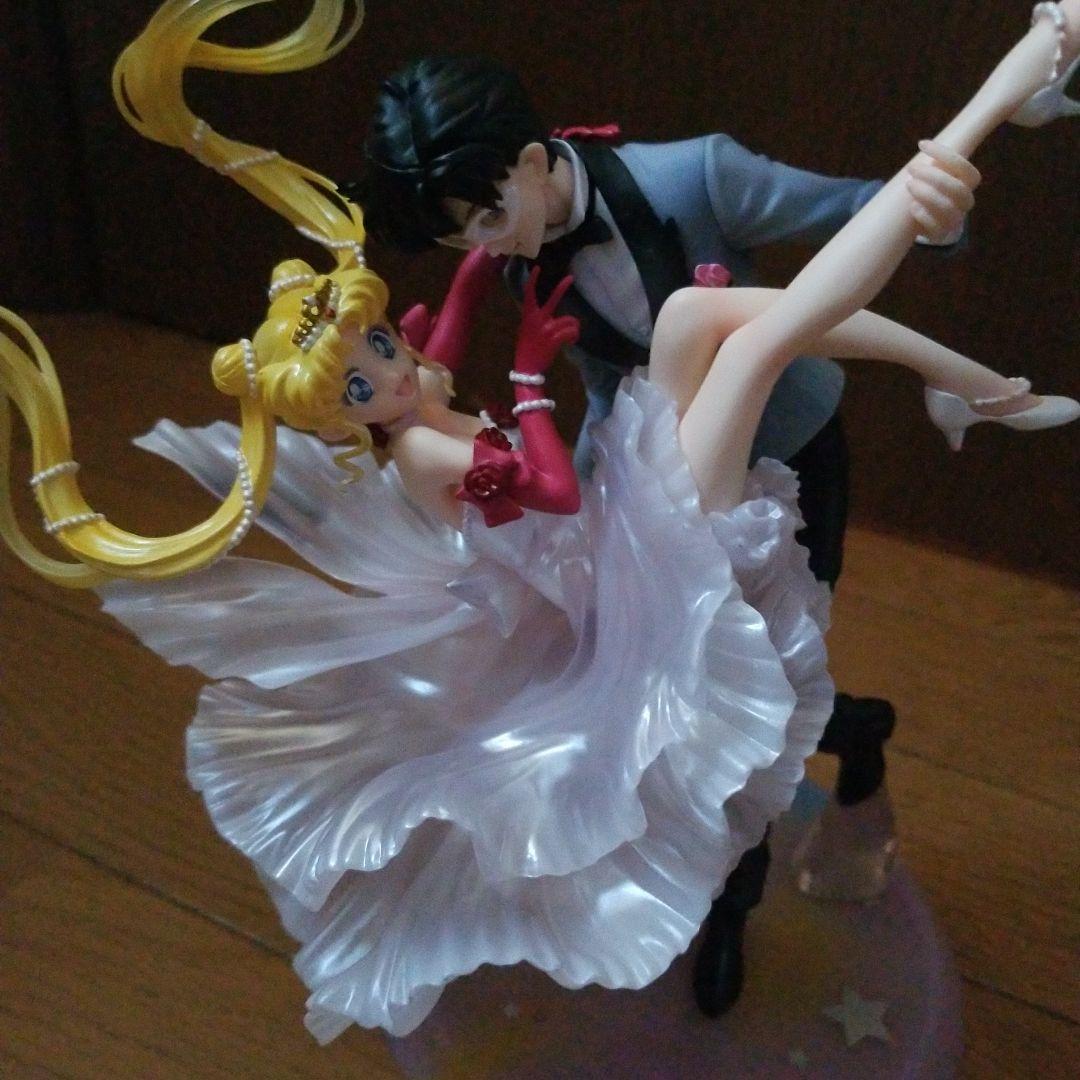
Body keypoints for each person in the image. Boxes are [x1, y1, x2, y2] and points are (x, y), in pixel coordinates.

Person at [2, 0, 1078, 1044]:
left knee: (711, 323)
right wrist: (522, 380)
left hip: (739, 462)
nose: (395, 362)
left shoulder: (665, 187)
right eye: (365, 380)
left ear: (528, 160)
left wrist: (939, 212)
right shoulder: (426, 437)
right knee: (749, 368)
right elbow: (545, 488)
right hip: (622, 534)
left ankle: (966, 358)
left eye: (383, 346)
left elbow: (840, 209)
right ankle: (1004, 141)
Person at [349, 33, 974, 1014]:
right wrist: (594, 508)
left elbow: (863, 212)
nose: (483, 245)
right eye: (458, 236)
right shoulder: (507, 253)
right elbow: (591, 382)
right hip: (650, 474)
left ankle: (761, 865)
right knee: (658, 707)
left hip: (784, 457)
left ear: (530, 160)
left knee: (756, 690)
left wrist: (936, 215)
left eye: (487, 217)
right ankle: (772, 818)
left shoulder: (694, 176)